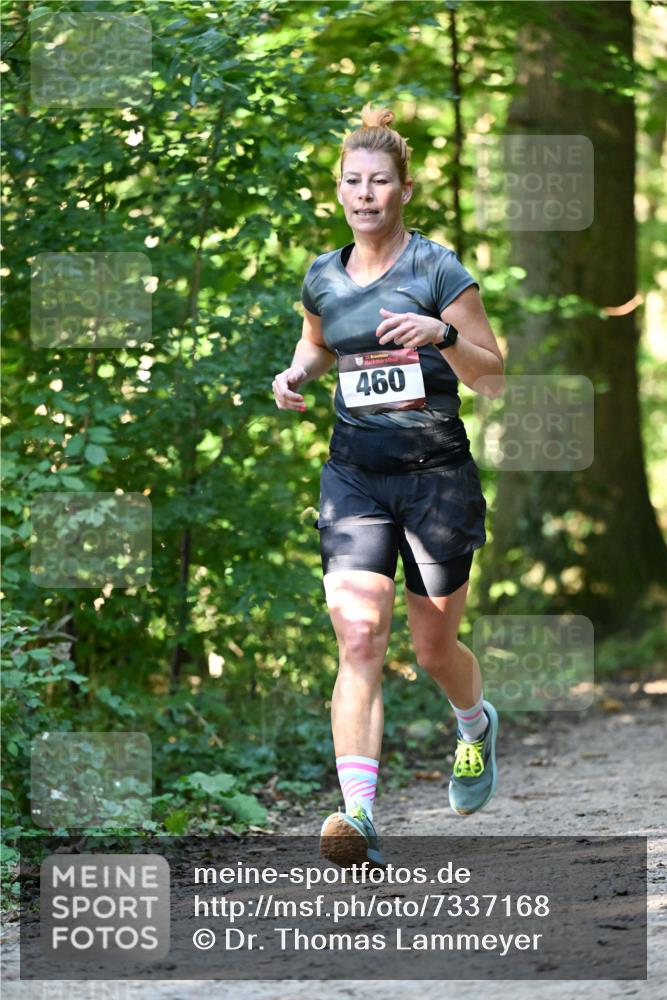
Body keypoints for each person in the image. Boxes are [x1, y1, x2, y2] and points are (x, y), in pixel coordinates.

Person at [272, 102, 504, 868]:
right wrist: (297, 374)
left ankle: (473, 725)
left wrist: (441, 335)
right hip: (355, 477)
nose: (363, 194)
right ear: (339, 191)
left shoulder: (437, 269)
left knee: (433, 650)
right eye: (351, 181)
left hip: (436, 479)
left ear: (403, 189)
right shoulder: (322, 276)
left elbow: (493, 377)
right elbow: (317, 344)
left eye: (378, 181)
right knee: (360, 636)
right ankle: (358, 816)